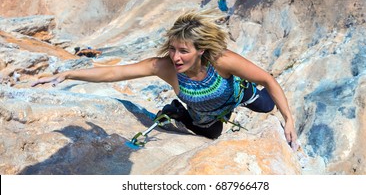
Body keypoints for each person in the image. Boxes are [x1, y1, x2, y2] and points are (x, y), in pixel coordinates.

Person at [31, 10, 298, 147]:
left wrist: (289, 118)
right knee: (213, 134)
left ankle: (245, 98)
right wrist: (67, 73)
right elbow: (114, 72)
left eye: (184, 51)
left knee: (266, 106)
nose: (176, 57)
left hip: (236, 94)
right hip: (202, 113)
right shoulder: (164, 67)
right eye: (172, 49)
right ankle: (177, 112)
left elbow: (268, 79)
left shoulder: (221, 60)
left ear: (200, 50)